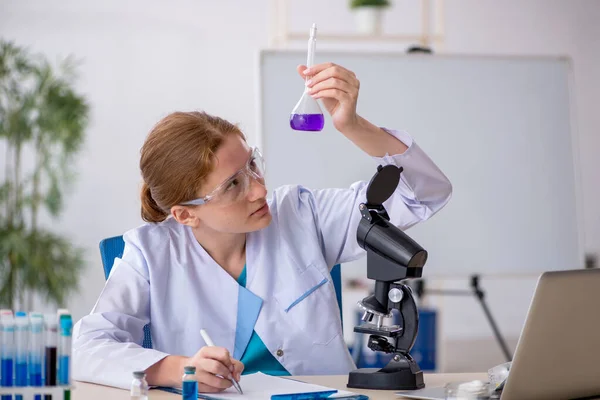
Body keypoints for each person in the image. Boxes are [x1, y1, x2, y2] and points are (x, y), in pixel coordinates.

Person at [72, 62, 452, 391]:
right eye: (233, 184)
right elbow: (88, 347)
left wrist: (353, 126)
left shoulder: (300, 213)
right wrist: (177, 368)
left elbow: (424, 194)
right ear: (186, 214)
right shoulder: (149, 254)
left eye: (252, 165)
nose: (259, 189)